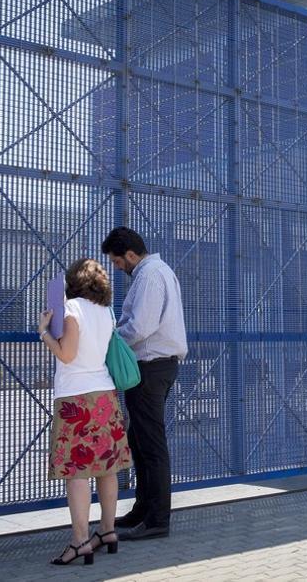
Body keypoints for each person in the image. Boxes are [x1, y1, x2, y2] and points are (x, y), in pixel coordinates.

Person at [38, 258, 133, 565]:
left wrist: (45, 334)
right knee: (107, 468)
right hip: (105, 395)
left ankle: (80, 541)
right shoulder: (106, 312)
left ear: (73, 281)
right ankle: (108, 531)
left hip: (75, 398)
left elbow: (67, 355)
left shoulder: (73, 309)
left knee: (77, 472)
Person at [100, 226, 188, 540]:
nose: (117, 267)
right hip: (154, 368)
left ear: (131, 254)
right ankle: (143, 510)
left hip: (150, 369)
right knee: (139, 440)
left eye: (117, 261)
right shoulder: (156, 272)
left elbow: (141, 326)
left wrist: (107, 339)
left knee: (151, 445)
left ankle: (156, 521)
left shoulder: (150, 276)